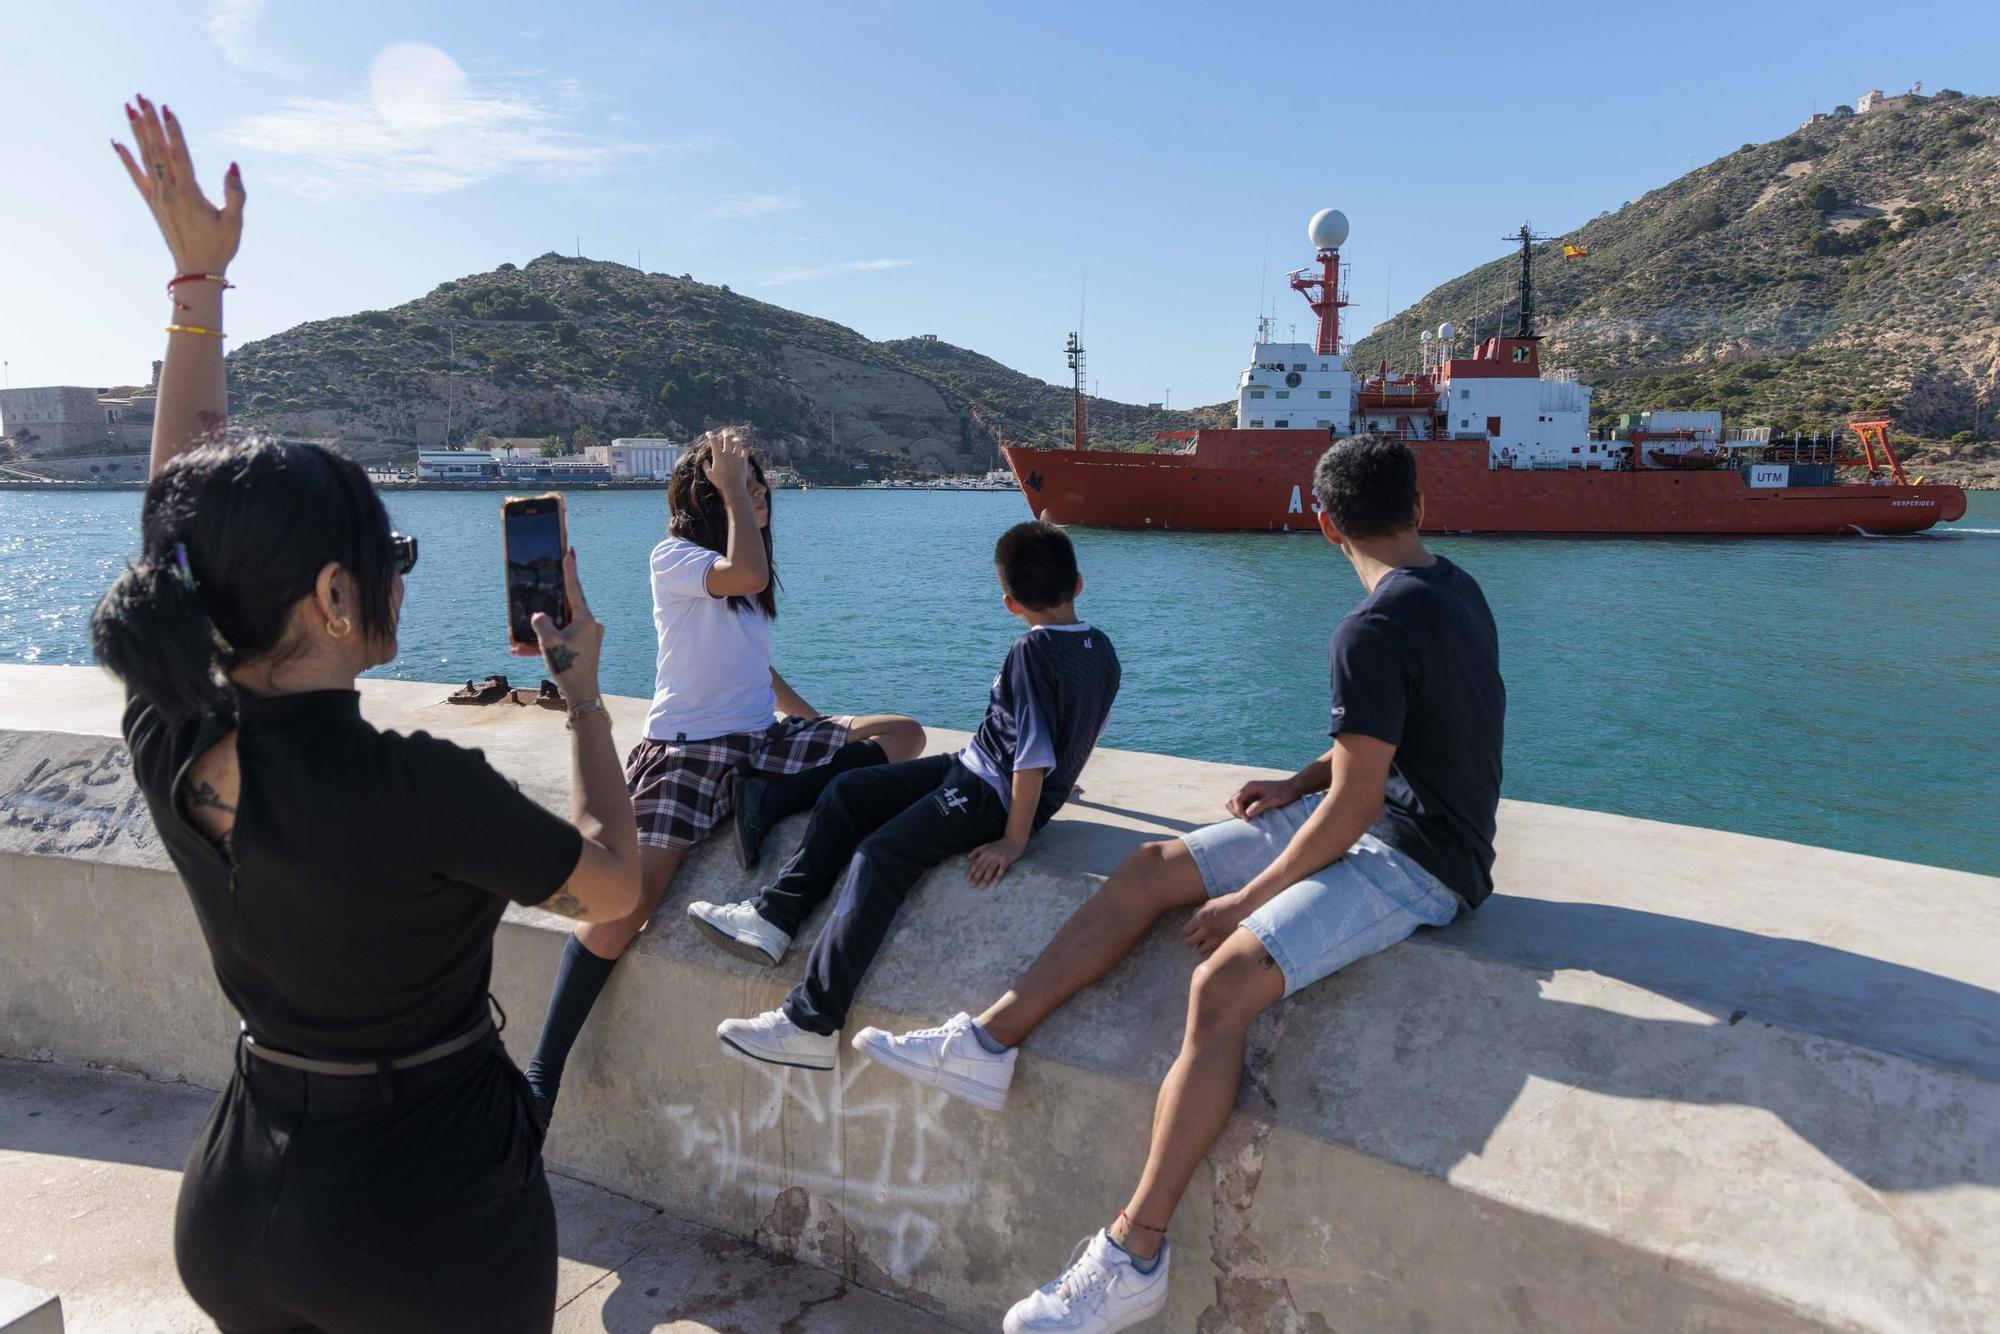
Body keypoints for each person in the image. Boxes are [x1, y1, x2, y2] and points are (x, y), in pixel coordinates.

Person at [93, 100, 644, 1333]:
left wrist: (195, 289)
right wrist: (584, 706)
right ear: (336, 596)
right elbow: (614, 890)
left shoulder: (170, 732)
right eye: (390, 554)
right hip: (425, 1223)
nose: (399, 575)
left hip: (239, 1200)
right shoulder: (415, 788)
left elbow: (179, 531)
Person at [856, 436, 1505, 1334]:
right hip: (1378, 818)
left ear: (1324, 525)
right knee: (1150, 868)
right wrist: (1296, 783)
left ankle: (1133, 1254)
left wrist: (1249, 898)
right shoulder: (1454, 588)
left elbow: (1360, 805)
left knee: (1222, 982)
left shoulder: (1370, 628)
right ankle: (986, 1042)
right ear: (1418, 508)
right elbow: (1386, 747)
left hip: (1421, 860)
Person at [522, 430, 923, 1117]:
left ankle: (774, 796)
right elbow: (748, 575)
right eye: (743, 487)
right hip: (687, 754)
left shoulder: (745, 570)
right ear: (706, 499)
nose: (758, 495)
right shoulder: (674, 557)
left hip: (758, 745)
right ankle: (542, 1072)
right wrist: (732, 487)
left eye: (760, 486)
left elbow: (752, 663)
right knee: (626, 907)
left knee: (902, 735)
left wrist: (816, 727)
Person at [690, 520, 1120, 1070]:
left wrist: (1015, 838)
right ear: (1078, 584)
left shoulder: (1032, 650)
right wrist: (1062, 783)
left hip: (991, 795)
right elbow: (1083, 730)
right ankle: (774, 918)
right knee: (850, 792)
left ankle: (812, 1022)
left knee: (880, 856)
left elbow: (1032, 755)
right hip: (974, 767)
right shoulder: (1101, 650)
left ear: (1010, 604)